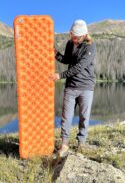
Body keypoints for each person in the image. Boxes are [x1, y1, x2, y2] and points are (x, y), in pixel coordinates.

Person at [49, 19, 96, 157]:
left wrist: (60, 75)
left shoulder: (90, 46)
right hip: (71, 87)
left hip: (86, 87)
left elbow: (79, 67)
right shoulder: (70, 43)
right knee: (66, 116)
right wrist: (55, 53)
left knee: (84, 117)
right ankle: (64, 144)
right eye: (72, 37)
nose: (73, 40)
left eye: (76, 38)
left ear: (83, 36)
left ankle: (81, 142)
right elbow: (68, 60)